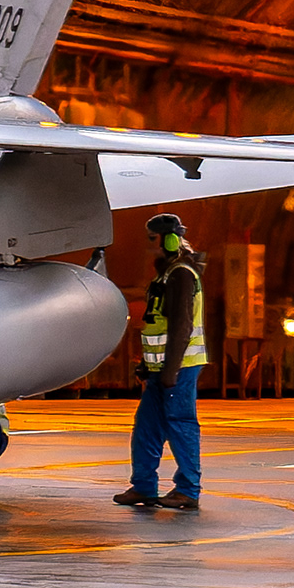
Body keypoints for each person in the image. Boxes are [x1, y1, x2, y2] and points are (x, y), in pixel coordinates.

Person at [115, 212, 206, 510]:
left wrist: (170, 370)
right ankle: (143, 486)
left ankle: (188, 490)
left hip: (177, 369)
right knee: (147, 427)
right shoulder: (167, 273)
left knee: (180, 424)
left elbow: (182, 326)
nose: (148, 245)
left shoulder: (180, 274)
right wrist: (150, 365)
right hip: (161, 370)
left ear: (166, 240)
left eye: (152, 239)